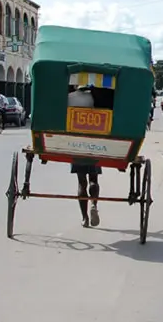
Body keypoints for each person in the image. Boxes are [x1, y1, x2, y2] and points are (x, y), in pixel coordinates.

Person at [67, 85, 101, 227]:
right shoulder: (93, 97)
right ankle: (94, 204)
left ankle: (85, 218)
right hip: (94, 141)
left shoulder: (69, 97)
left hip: (76, 142)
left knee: (81, 182)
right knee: (93, 179)